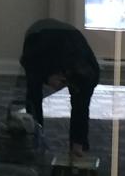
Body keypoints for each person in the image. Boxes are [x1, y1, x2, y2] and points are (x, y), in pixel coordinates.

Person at [19, 18, 101, 160]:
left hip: (71, 38)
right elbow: (27, 64)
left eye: (65, 82)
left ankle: (77, 147)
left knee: (80, 103)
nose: (60, 86)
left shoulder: (90, 74)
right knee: (33, 93)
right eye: (60, 80)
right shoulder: (34, 55)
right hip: (38, 33)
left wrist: (78, 143)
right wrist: (46, 76)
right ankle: (34, 138)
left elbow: (81, 108)